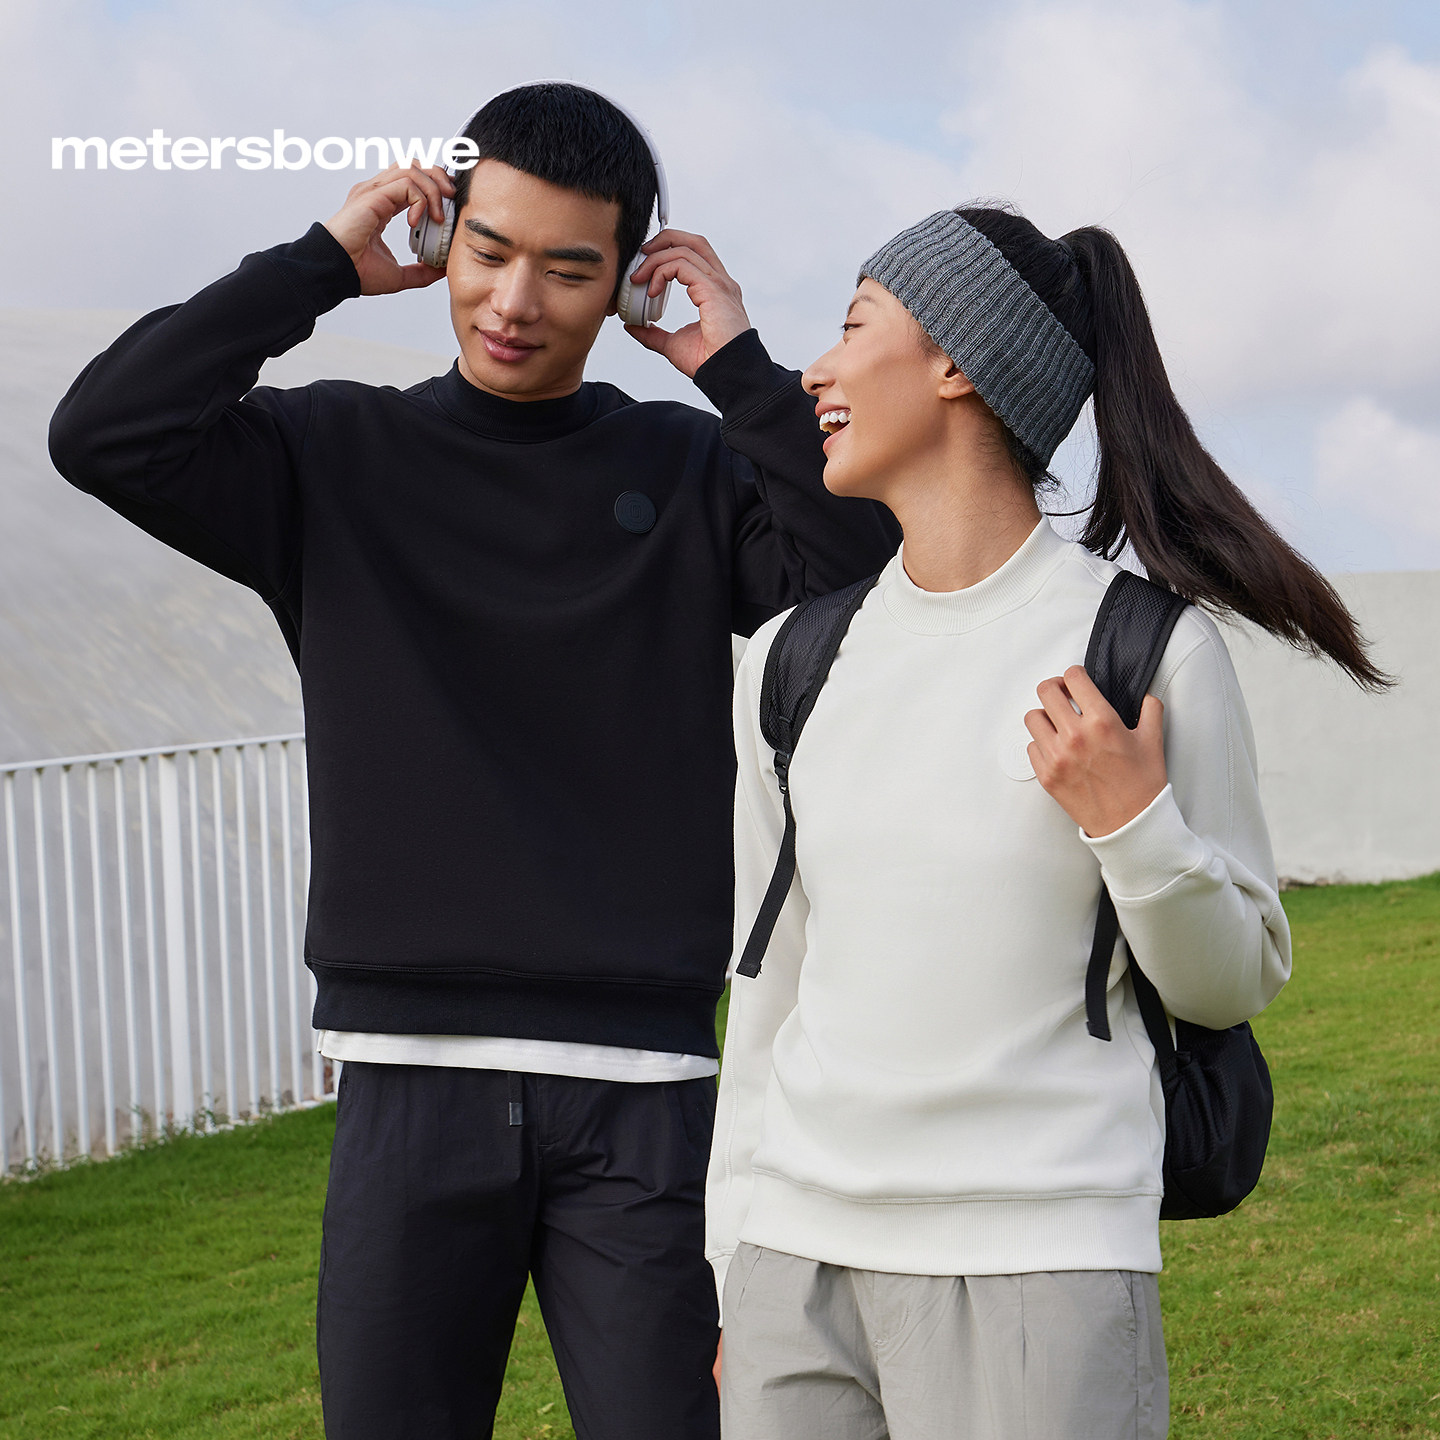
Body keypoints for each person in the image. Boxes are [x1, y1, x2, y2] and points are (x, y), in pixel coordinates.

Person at [47, 83, 898, 1440]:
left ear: (624, 285)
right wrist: (320, 265)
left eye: (567, 269)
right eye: (488, 250)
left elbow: (864, 565)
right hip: (405, 1081)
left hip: (645, 1096)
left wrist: (734, 365)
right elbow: (102, 431)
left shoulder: (689, 467)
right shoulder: (330, 454)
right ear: (442, 237)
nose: (515, 300)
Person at [707, 204, 1388, 1439]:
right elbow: (770, 988)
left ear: (958, 362)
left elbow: (1235, 979)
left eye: (854, 326)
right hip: (793, 1270)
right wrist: (733, 1261)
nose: (817, 370)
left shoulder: (1143, 652)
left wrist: (1135, 825)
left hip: (1038, 1258)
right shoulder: (793, 661)